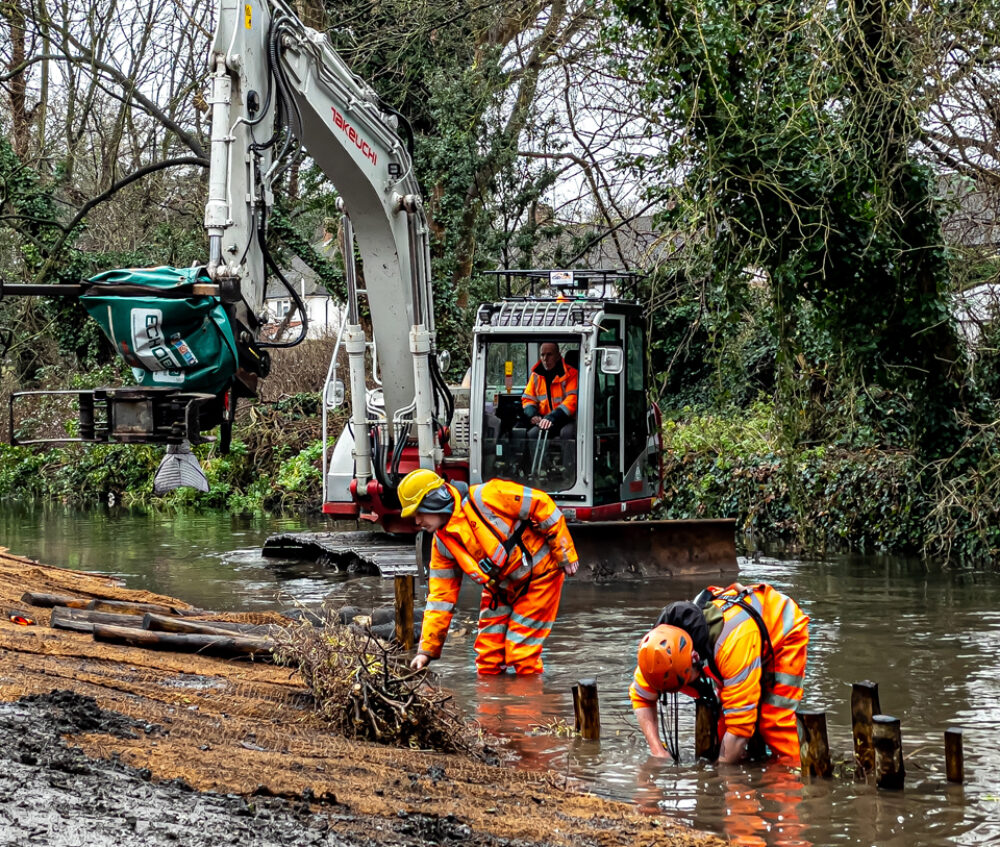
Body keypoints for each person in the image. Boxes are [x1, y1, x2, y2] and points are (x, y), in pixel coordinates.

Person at [399, 468, 579, 674]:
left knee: (521, 652)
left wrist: (565, 553)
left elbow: (542, 503)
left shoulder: (487, 496)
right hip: (500, 589)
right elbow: (440, 599)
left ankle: (529, 704)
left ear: (435, 500)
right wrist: (426, 651)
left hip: (540, 578)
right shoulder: (442, 545)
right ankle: (492, 703)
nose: (417, 522)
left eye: (419, 513)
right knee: (487, 657)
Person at [629, 582, 809, 764]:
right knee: (724, 727)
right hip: (738, 643)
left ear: (694, 657)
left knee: (773, 723)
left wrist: (720, 779)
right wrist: (657, 751)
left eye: (685, 683)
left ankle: (790, 777)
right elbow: (641, 696)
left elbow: (739, 728)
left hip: (783, 634)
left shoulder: (731, 644)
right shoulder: (657, 654)